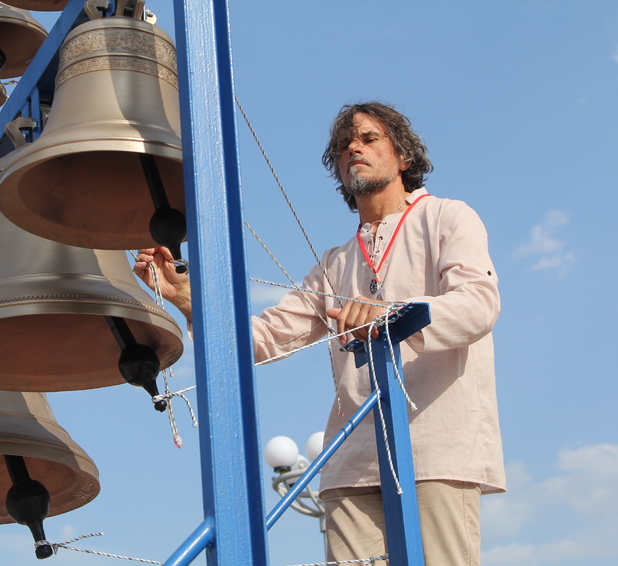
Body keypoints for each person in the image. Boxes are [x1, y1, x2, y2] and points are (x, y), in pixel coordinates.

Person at [134, 101, 504, 566]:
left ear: (403, 156)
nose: (353, 148)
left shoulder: (448, 217)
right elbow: (264, 340)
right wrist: (189, 300)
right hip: (351, 460)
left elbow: (478, 304)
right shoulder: (334, 262)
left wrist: (392, 315)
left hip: (435, 445)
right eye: (343, 145)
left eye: (368, 139)